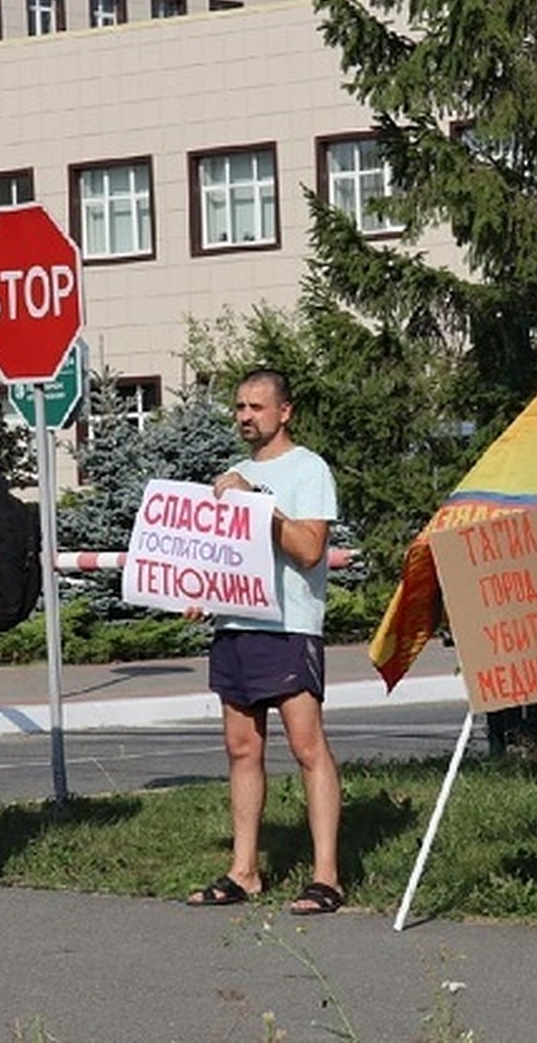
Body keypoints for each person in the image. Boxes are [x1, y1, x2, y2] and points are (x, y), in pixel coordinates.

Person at [186, 368, 344, 915]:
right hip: (236, 625)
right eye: (239, 407)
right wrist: (201, 590)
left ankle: (326, 875)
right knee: (241, 749)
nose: (245, 416)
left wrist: (258, 502)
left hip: (289, 625)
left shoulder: (308, 469)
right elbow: (222, 553)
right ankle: (244, 869)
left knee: (306, 745)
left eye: (256, 406)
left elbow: (308, 550)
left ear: (285, 412)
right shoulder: (231, 476)